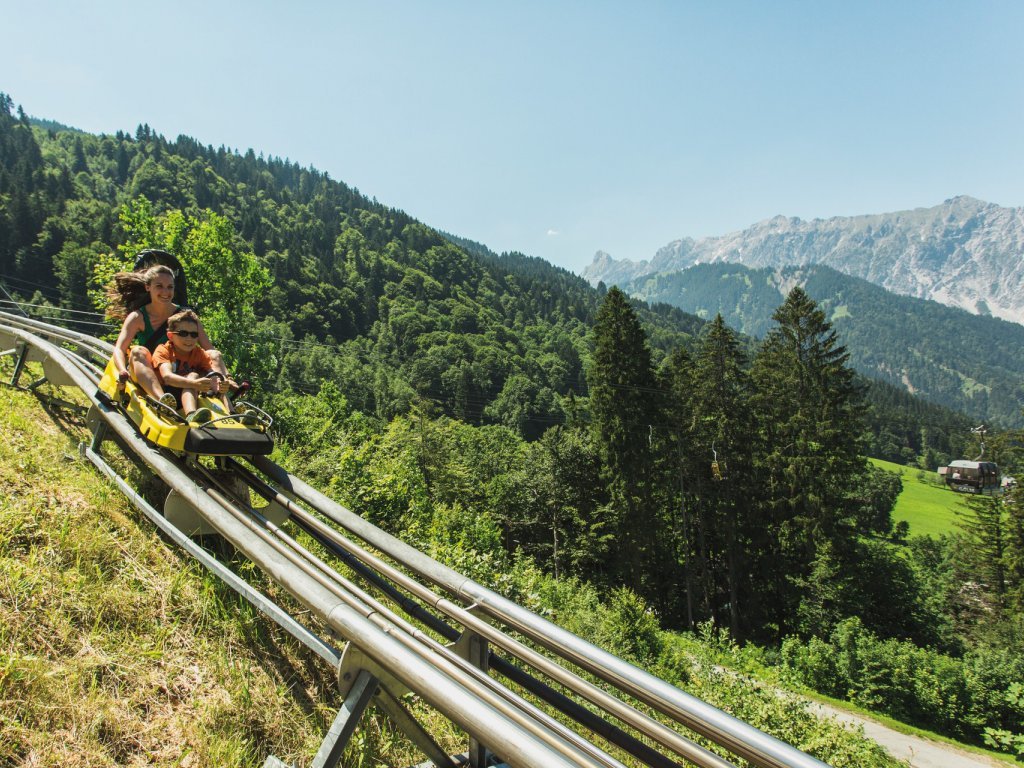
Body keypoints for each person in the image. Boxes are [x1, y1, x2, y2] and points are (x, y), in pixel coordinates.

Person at [106, 262, 233, 406]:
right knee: (137, 351)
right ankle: (163, 402)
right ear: (148, 287)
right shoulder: (137, 317)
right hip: (153, 373)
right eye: (159, 286)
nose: (165, 292)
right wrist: (122, 370)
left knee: (214, 355)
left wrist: (226, 375)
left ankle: (226, 404)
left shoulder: (186, 316)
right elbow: (119, 348)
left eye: (170, 287)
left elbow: (209, 349)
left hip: (183, 371)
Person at [152, 309, 227, 423]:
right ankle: (191, 414)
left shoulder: (199, 353)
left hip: (191, 394)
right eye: (183, 333)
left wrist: (221, 386)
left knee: (201, 377)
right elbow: (167, 377)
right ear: (171, 336)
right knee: (192, 376)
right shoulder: (164, 350)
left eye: (193, 335)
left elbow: (212, 376)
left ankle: (231, 413)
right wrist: (194, 383)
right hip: (169, 395)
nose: (189, 339)